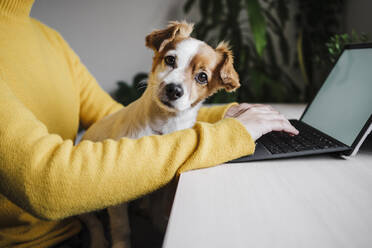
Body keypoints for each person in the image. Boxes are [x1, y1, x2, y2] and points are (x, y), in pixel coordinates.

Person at [0, 0, 298, 247]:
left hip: (102, 215)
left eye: (201, 78)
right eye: (170, 61)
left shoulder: (51, 40)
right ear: (159, 56)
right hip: (45, 238)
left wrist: (234, 116)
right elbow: (47, 183)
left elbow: (114, 112)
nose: (176, 84)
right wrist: (228, 136)